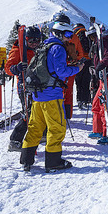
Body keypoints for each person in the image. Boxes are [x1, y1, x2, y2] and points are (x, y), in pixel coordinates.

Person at [20, 22, 84, 172]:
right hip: (52, 96)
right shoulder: (58, 48)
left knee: (35, 128)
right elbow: (61, 72)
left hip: (38, 96)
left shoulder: (43, 47)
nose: (69, 39)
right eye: (67, 35)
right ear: (58, 34)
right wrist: (77, 68)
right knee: (57, 128)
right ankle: (53, 162)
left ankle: (26, 159)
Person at [5, 26, 42, 152]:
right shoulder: (18, 51)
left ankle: (41, 134)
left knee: (39, 111)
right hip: (24, 86)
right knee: (28, 113)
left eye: (37, 41)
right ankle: (15, 140)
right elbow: (7, 69)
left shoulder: (37, 50)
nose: (34, 44)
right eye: (31, 41)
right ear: (25, 40)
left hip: (37, 85)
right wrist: (17, 68)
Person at [52, 12, 80, 119]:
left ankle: (63, 115)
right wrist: (76, 65)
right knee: (67, 92)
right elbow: (80, 53)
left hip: (64, 71)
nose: (69, 38)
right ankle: (66, 115)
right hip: (68, 69)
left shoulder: (49, 42)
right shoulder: (60, 46)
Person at [73, 23, 92, 109]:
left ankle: (79, 99)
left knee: (78, 82)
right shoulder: (88, 36)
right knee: (86, 81)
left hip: (80, 61)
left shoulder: (76, 37)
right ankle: (86, 100)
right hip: (89, 61)